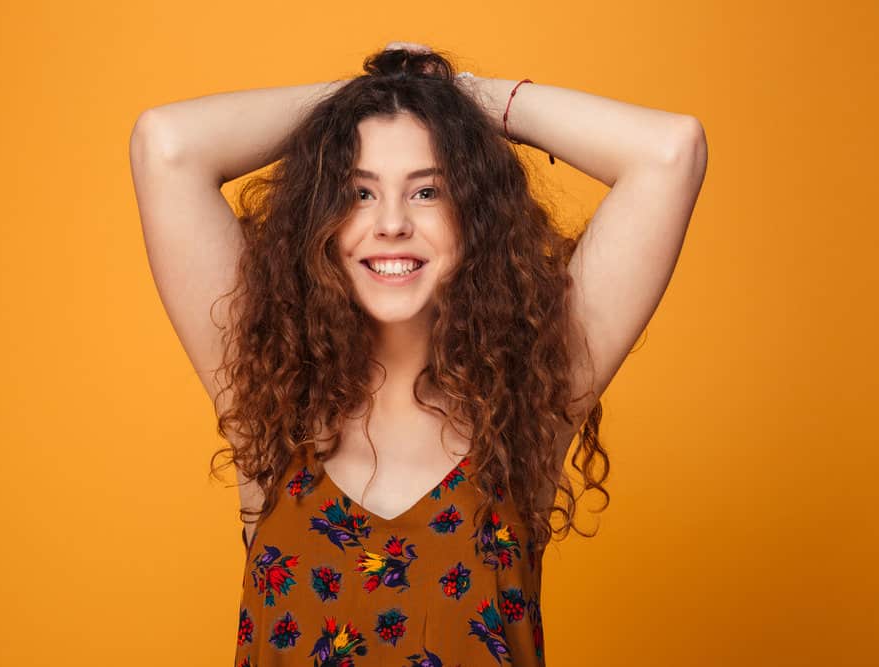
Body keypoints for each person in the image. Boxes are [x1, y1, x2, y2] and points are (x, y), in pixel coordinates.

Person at [128, 41, 707, 667]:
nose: (393, 223)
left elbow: (670, 152)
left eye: (428, 192)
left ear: (476, 216)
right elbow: (166, 146)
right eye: (359, 192)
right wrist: (362, 101)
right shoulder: (268, 400)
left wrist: (453, 97)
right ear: (318, 216)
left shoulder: (525, 402)